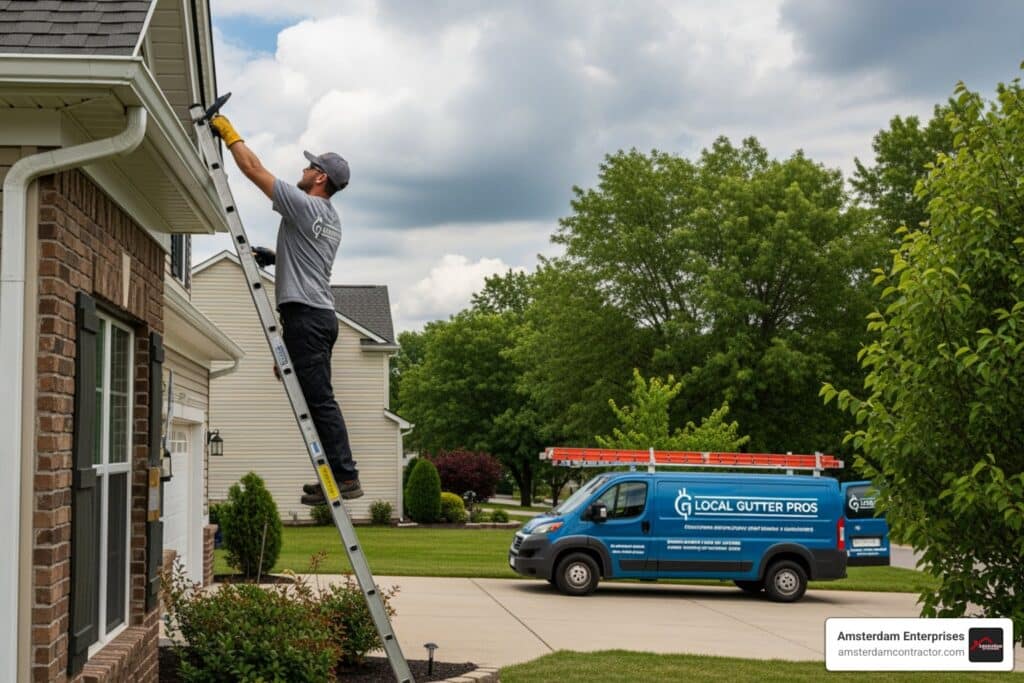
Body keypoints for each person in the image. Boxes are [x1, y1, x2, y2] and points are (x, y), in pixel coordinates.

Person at [209, 113, 362, 504]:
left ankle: (345, 476)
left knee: (320, 399)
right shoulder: (331, 219)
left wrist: (229, 132)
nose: (304, 168)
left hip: (306, 317)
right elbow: (311, 260)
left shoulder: (305, 206)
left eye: (310, 166)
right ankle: (333, 474)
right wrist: (277, 257)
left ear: (320, 178)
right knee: (315, 396)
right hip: (317, 316)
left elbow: (253, 168)